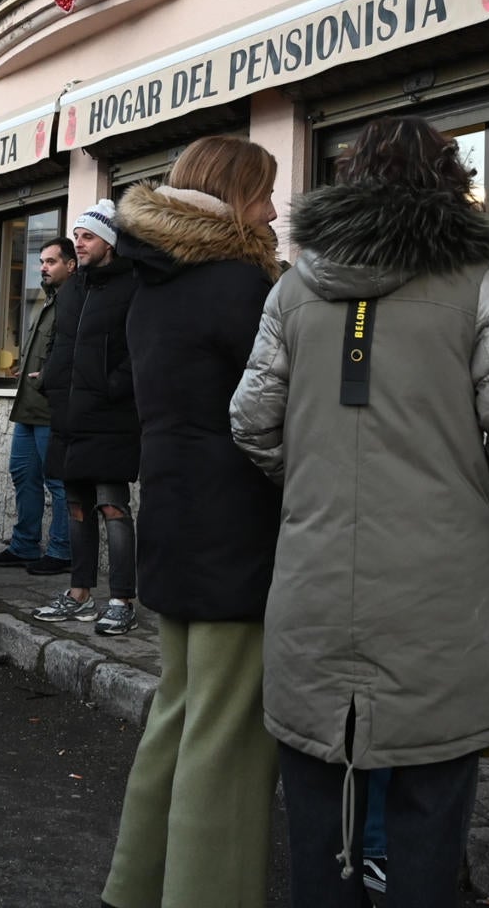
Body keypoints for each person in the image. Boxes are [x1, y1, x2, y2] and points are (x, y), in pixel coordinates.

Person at [231, 115, 489, 907]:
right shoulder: (477, 282)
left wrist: (315, 486)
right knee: (431, 806)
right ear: (451, 181)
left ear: (351, 180)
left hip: (313, 574)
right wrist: (472, 503)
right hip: (443, 587)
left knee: (315, 805)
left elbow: (250, 420)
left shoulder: (294, 286)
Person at [101, 138, 284, 908]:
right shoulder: (240, 287)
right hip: (237, 526)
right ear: (235, 197)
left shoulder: (155, 284)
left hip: (174, 519)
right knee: (229, 737)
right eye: (265, 193)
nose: (276, 210)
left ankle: (135, 886)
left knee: (177, 713)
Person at [32, 202, 140, 635]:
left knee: (113, 506)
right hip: (69, 413)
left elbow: (139, 352)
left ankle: (122, 600)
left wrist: (112, 387)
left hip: (111, 415)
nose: (79, 242)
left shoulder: (134, 286)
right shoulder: (72, 288)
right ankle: (79, 593)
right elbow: (61, 342)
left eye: (88, 235)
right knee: (76, 507)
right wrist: (52, 383)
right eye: (77, 235)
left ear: (110, 242)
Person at [0, 235, 75, 573]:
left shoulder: (74, 299)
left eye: (51, 262)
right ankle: (24, 546)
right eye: (42, 262)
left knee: (58, 483)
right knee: (23, 474)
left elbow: (73, 350)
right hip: (28, 405)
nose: (43, 268)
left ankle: (62, 552)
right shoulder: (51, 298)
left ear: (71, 264)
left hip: (50, 407)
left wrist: (47, 373)